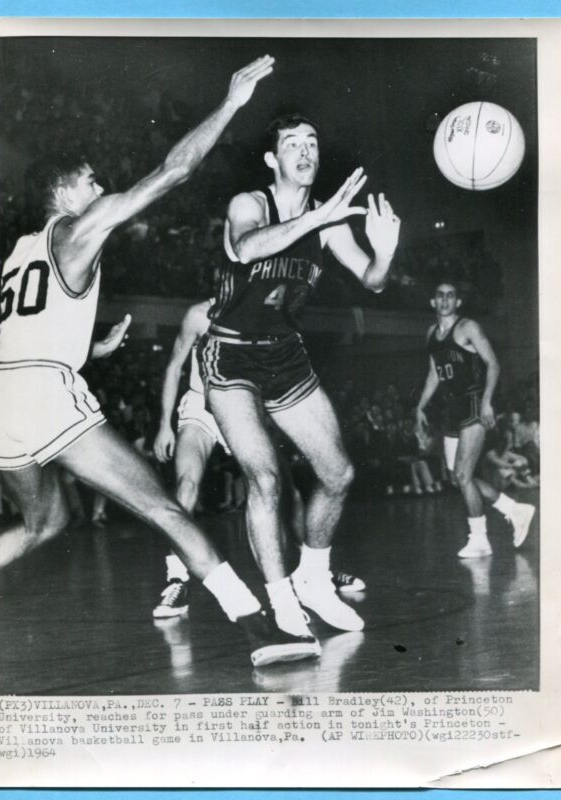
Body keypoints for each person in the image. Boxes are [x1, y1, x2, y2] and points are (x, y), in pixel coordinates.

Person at [0, 56, 322, 667]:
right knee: (164, 506)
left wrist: (84, 349)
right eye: (90, 180)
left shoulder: (18, 252)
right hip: (43, 392)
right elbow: (173, 172)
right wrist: (230, 104)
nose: (99, 188)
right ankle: (260, 629)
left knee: (47, 522)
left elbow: (14, 330)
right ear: (65, 191)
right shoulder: (80, 224)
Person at [199, 114, 401, 641]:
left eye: (312, 140)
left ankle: (315, 579)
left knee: (339, 473)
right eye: (292, 142)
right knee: (265, 478)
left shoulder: (328, 219)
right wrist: (318, 221)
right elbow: (246, 247)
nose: (305, 149)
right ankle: (282, 600)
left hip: (286, 355)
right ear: (273, 159)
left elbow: (373, 282)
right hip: (231, 355)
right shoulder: (250, 203)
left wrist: (383, 253)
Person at [152, 299, 366, 618]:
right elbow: (173, 366)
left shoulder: (265, 314)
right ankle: (176, 580)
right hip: (201, 406)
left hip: (244, 409)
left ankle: (316, 572)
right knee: (186, 486)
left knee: (287, 494)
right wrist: (164, 425)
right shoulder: (198, 315)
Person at [415, 280, 535, 557]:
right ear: (433, 301)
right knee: (459, 478)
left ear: (457, 302)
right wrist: (419, 406)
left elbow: (493, 363)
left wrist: (487, 402)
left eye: (450, 295)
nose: (445, 300)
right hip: (450, 411)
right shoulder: (431, 333)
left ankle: (479, 539)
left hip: (473, 405)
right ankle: (514, 509)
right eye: (439, 295)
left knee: (463, 474)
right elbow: (434, 373)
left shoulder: (468, 327)